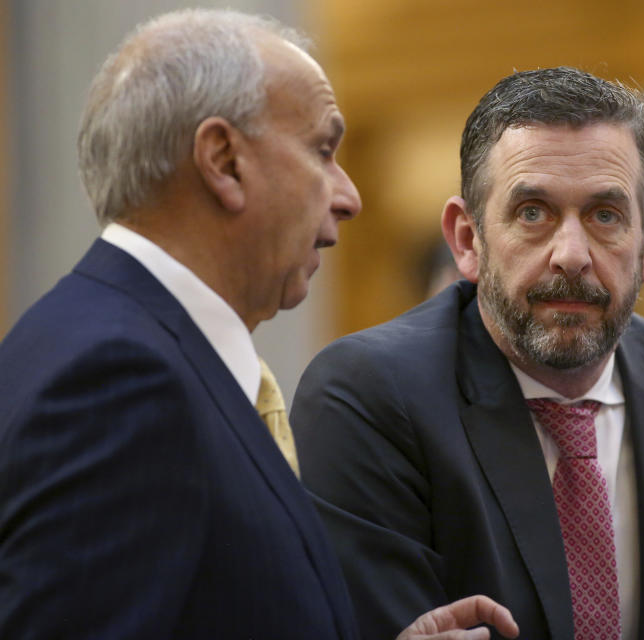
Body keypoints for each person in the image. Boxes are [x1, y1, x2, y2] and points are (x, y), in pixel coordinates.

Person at [0, 9, 519, 640]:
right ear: (223, 160)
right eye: (322, 150)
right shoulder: (120, 381)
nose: (348, 196)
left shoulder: (119, 347)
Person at [291, 66, 644, 640]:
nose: (571, 254)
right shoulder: (369, 397)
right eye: (532, 213)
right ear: (467, 240)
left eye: (604, 215)